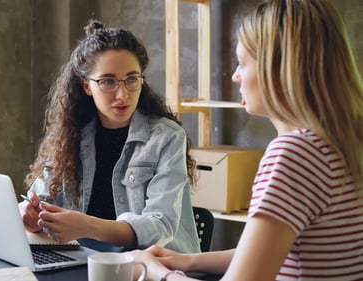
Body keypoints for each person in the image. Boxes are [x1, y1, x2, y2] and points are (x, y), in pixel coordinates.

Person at [130, 0, 363, 280]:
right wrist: (188, 261)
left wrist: (154, 272)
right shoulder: (343, 142)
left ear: (278, 67)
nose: (235, 76)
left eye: (242, 62)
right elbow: (282, 249)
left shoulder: (295, 154)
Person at [20, 19, 201, 254]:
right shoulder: (71, 135)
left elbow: (160, 226)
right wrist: (30, 214)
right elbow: (40, 199)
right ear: (86, 86)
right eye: (108, 81)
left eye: (131, 79)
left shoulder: (166, 137)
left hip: (157, 267)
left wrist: (86, 226)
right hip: (87, 261)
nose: (122, 94)